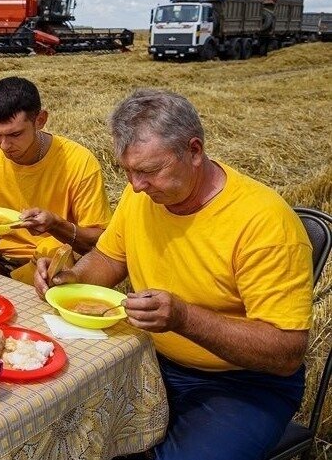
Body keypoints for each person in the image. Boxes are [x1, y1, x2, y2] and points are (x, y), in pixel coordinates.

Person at [34, 89, 313, 460]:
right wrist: (67, 279)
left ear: (194, 151)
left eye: (149, 171)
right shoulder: (143, 197)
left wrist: (183, 318)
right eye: (128, 171)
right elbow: (110, 258)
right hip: (150, 360)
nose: (135, 186)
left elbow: (285, 352)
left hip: (243, 384)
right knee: (66, 422)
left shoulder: (264, 223)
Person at [0, 76, 112, 278]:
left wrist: (56, 225)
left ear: (40, 120)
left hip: (56, 262)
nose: (4, 145)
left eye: (15, 135)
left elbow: (100, 243)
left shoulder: (79, 161)